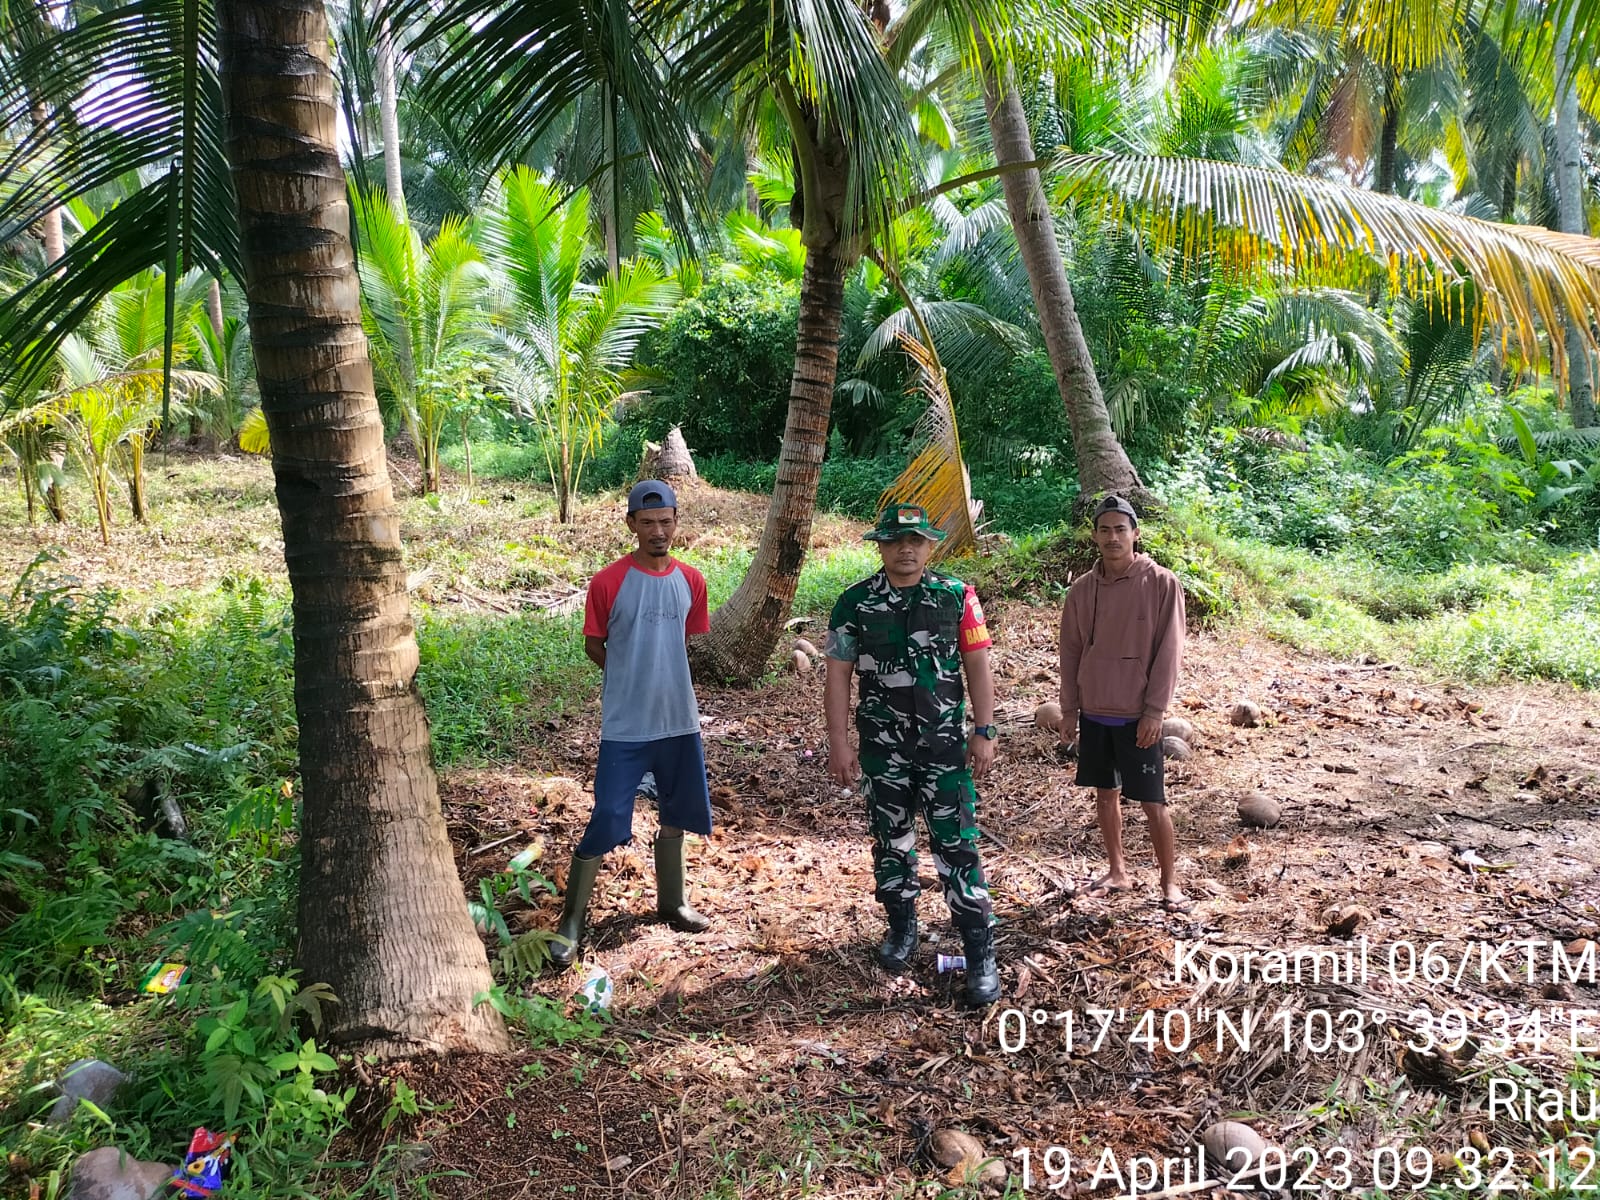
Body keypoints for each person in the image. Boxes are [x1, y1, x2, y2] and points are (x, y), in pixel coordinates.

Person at [824, 502, 1001, 1007]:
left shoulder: (957, 597)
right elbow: (837, 674)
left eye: (917, 541)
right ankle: (902, 928)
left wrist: (984, 730)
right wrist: (839, 742)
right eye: (897, 541)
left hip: (945, 749)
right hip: (884, 750)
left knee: (957, 843)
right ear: (880, 545)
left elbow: (977, 664)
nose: (907, 549)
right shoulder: (855, 603)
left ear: (931, 545)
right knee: (891, 841)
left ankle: (978, 948)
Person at [548, 479, 714, 967]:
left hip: (679, 719)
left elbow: (684, 640)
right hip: (625, 725)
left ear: (676, 522)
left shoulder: (693, 580)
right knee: (607, 816)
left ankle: (672, 902)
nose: (657, 531)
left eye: (665, 522)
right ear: (631, 525)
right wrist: (629, 677)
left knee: (677, 810)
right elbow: (594, 644)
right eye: (647, 523)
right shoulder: (608, 582)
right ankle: (572, 921)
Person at [1058, 495, 1189, 912]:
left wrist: (1155, 710)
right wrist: (1069, 709)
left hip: (1137, 715)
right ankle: (1118, 870)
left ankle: (1169, 882)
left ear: (1135, 533)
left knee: (1153, 801)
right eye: (1104, 529)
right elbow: (1072, 651)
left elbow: (1170, 650)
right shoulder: (1082, 590)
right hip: (1097, 710)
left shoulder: (1161, 584)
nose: (1113, 537)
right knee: (1105, 793)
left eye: (1121, 529)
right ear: (1094, 535)